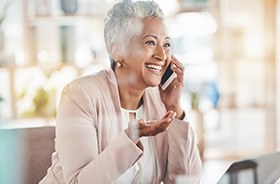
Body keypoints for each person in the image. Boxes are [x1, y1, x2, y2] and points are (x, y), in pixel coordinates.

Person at [40, 0, 202, 183]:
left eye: (166, 45)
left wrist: (176, 110)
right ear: (117, 50)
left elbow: (187, 181)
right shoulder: (80, 95)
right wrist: (130, 137)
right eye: (150, 42)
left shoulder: (160, 101)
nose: (162, 56)